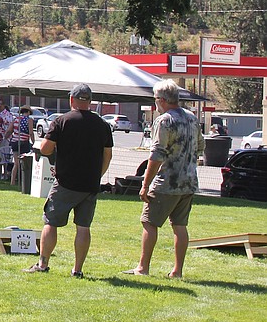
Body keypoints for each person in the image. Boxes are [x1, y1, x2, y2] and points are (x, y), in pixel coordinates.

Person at [25, 84, 113, 277]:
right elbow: (107, 156)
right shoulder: (102, 125)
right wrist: (97, 175)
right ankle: (78, 269)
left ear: (71, 100)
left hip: (65, 182)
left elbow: (46, 149)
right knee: (83, 227)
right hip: (90, 184)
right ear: (89, 101)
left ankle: (43, 264)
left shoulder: (61, 121)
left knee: (51, 222)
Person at [124, 80, 200, 279]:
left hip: (166, 182)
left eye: (155, 99)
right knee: (180, 226)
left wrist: (145, 184)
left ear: (163, 100)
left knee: (149, 223)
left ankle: (143, 267)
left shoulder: (164, 120)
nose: (155, 103)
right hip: (188, 182)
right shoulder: (192, 118)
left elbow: (157, 155)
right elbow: (201, 147)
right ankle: (177, 271)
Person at [10, 106, 34, 186]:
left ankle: (12, 181)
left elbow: (10, 130)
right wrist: (33, 142)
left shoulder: (16, 119)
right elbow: (31, 132)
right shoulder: (29, 120)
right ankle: (24, 181)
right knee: (25, 163)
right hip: (24, 142)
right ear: (28, 112)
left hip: (15, 142)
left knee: (16, 163)